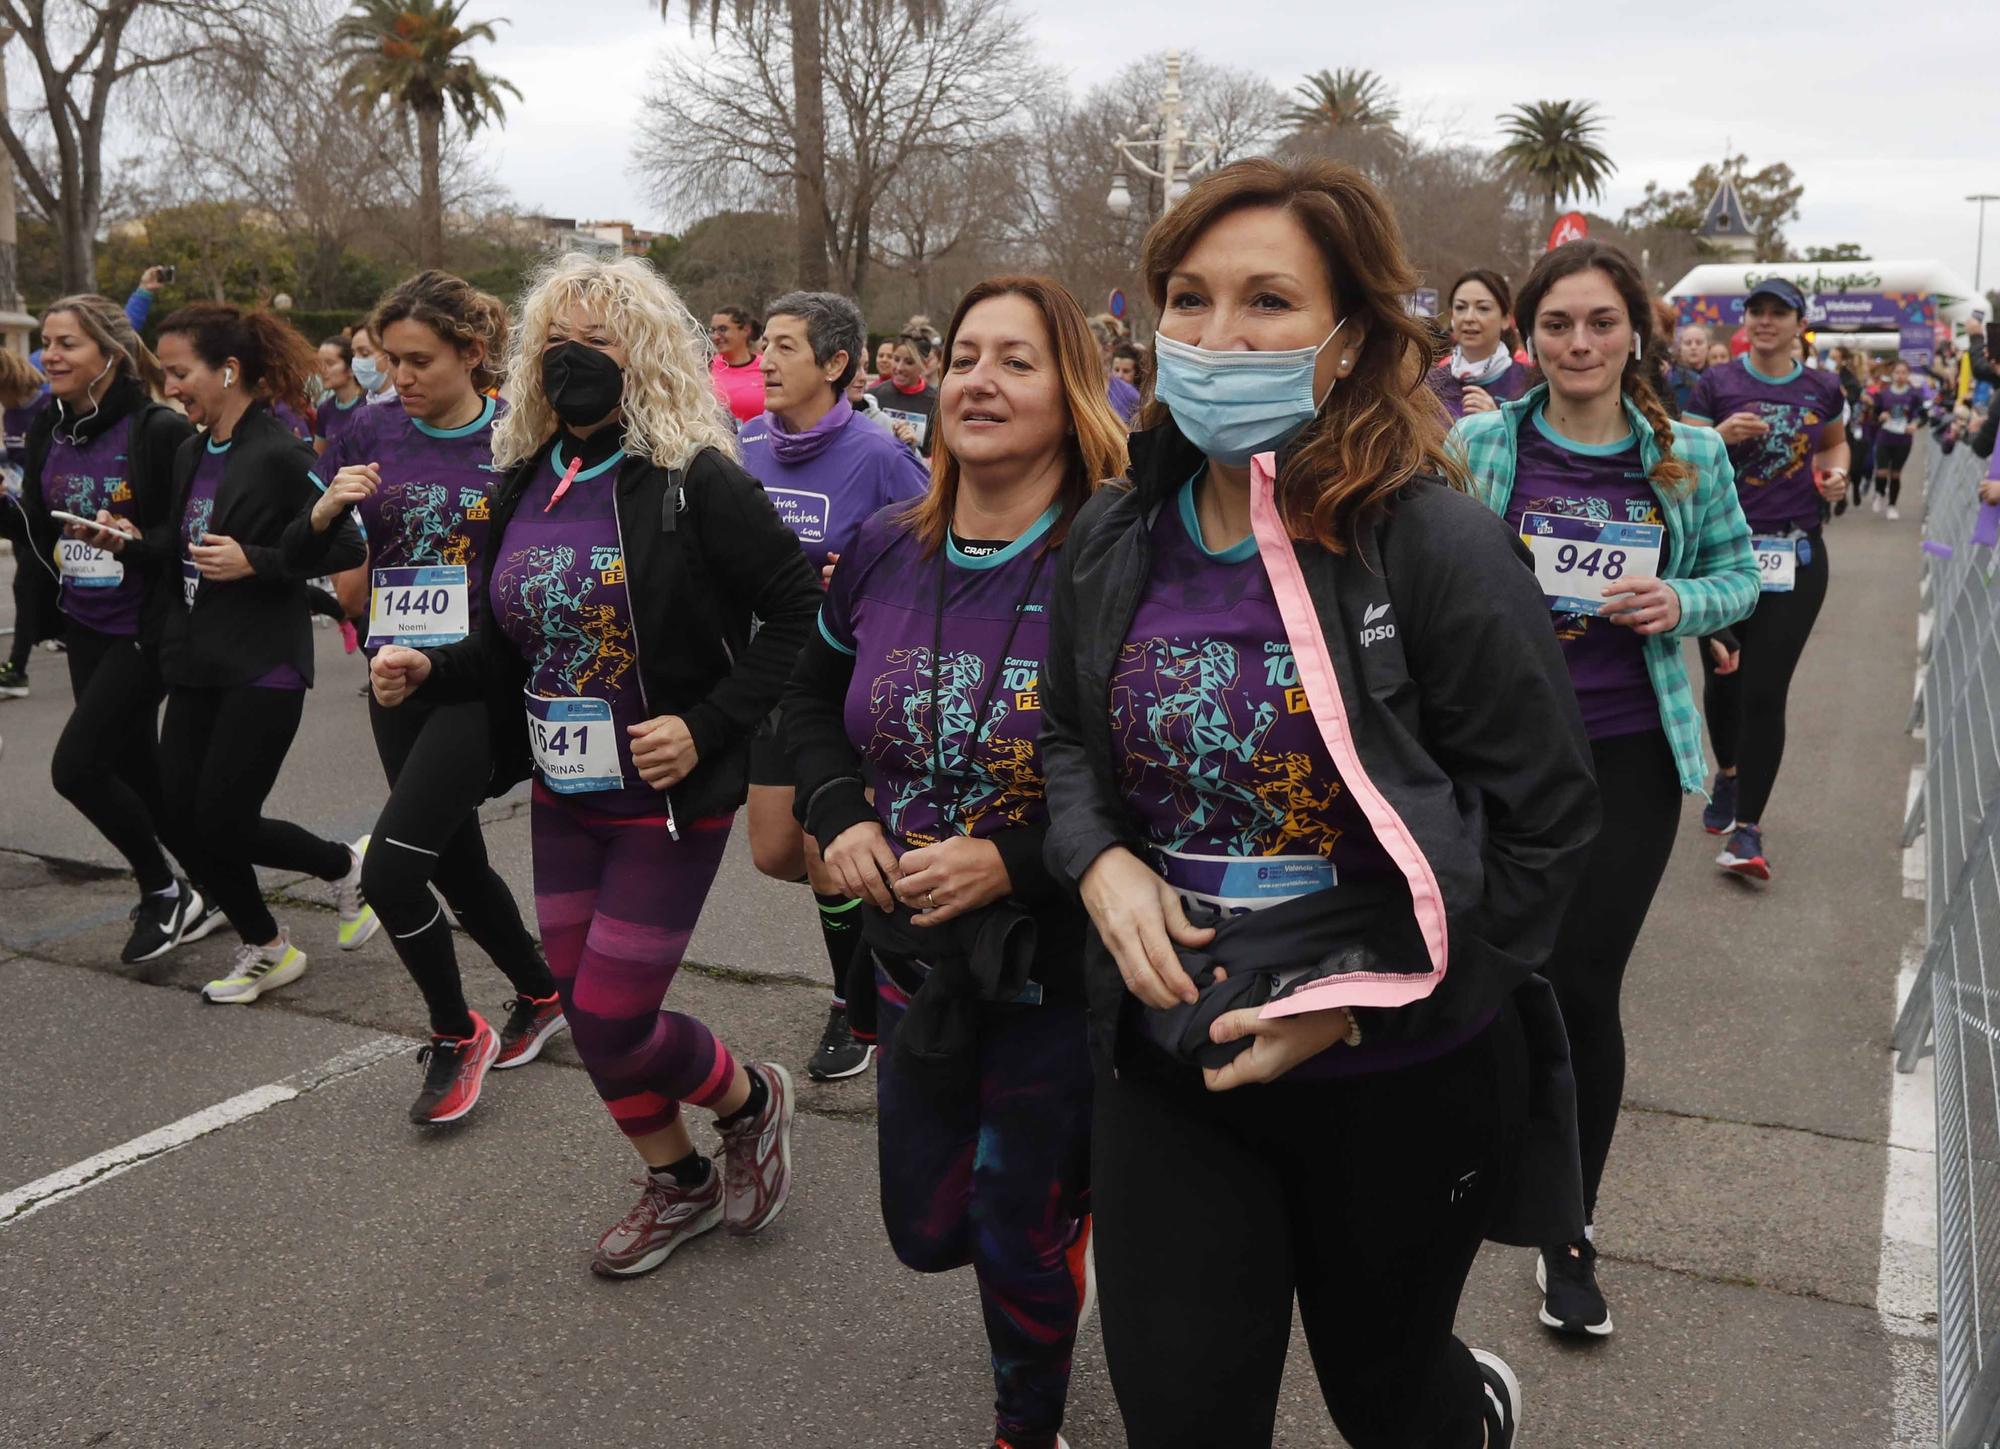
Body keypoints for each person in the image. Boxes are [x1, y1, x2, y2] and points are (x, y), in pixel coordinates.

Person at [1039, 155, 1597, 1449]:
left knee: (1388, 1399)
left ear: (1349, 342)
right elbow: (1069, 743)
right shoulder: (1118, 532)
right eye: (1188, 298)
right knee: (1179, 1416)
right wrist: (1102, 865)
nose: (1218, 336)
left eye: (1269, 302)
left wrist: (1354, 1012)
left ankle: (1468, 1407)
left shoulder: (1435, 544)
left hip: (1396, 1067)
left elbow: (1549, 823)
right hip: (1178, 1054)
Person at [368, 253, 819, 1277]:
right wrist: (424, 668)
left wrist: (708, 725)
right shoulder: (526, 478)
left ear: (645, 356)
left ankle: (749, 1101)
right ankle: (681, 1182)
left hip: (663, 800)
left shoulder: (691, 479)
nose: (573, 362)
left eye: (598, 344)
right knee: (589, 1013)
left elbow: (798, 612)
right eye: (557, 344)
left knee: (615, 1014)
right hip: (563, 795)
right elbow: (508, 645)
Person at [785, 273, 1125, 1449]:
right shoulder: (886, 545)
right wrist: (840, 816)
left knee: (1011, 1224)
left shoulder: (1115, 555)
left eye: (1017, 360)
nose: (979, 379)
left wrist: (1015, 860)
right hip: (911, 960)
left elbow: (1164, 774)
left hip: (1055, 965)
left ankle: (1024, 1425)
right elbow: (809, 703)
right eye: (966, 356)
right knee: (927, 1226)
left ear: (1070, 387)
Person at [1452, 239, 1758, 1339]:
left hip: (1625, 755)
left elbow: (1733, 577)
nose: (1576, 344)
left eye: (1597, 323)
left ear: (1633, 331)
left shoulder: (1684, 453)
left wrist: (1679, 603)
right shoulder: (1479, 441)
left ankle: (1566, 1232)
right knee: (1480, 979)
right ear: (1526, 337)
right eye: (1555, 326)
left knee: (1580, 986)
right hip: (1491, 755)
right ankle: (1455, 1198)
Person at [300, 270, 565, 1125]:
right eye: (387, 360)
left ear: (473, 355)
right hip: (393, 674)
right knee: (454, 861)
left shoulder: (523, 438)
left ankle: (457, 1033)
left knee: (391, 870)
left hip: (479, 683)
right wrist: (328, 521)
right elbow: (338, 580)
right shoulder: (365, 429)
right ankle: (541, 990)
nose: (399, 378)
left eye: (418, 361)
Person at [151, 303, 375, 1003]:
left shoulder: (279, 451)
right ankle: (266, 945)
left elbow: (344, 546)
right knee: (176, 812)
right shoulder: (193, 450)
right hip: (197, 656)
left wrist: (258, 561)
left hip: (264, 660)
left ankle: (341, 865)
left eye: (179, 372)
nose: (170, 386)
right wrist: (123, 538)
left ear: (228, 370)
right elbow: (180, 547)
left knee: (221, 817)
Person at [736, 290, 929, 1081]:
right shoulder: (744, 443)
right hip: (767, 678)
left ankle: (860, 1005)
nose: (766, 362)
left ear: (837, 363)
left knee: (827, 856)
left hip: (846, 682)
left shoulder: (880, 454)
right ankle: (881, 961)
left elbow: (936, 546)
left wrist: (860, 577)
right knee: (776, 851)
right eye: (765, 346)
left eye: (785, 347)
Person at [18, 296, 214, 962]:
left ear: (110, 354)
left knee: (76, 767)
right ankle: (217, 887)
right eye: (46, 342)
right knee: (138, 770)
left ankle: (164, 888)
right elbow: (38, 525)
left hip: (145, 626)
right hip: (84, 623)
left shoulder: (155, 429)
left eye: (67, 343)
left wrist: (132, 540)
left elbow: (189, 535)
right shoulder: (51, 424)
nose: (51, 355)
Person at [1684, 276, 1850, 879]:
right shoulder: (1718, 382)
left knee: (1764, 692)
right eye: (1756, 310)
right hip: (1724, 556)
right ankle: (1727, 774)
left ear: (1797, 322)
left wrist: (1835, 477)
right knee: (1724, 682)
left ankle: (1748, 830)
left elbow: (1834, 448)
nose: (1765, 320)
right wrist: (1718, 436)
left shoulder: (1822, 387)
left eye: (1778, 312)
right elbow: (1680, 456)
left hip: (1795, 557)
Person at [0, 353, 52, 699]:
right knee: (31, 586)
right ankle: (56, 630)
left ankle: (17, 670)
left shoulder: (48, 406)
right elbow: (14, 459)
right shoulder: (11, 412)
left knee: (24, 584)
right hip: (21, 508)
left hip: (46, 514)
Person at [1425, 269, 1529, 420]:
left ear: (1506, 319)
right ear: (1452, 315)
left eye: (1483, 308)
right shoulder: (1431, 384)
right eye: (1461, 307)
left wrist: (1496, 426)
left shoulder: (1528, 384)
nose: (1469, 318)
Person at [1867, 359, 1931, 520]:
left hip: (1903, 439)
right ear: (1892, 374)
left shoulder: (1914, 394)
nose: (1900, 376)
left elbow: (1923, 416)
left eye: (1904, 372)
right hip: (1885, 437)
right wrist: (1880, 416)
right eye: (1897, 372)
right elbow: (1874, 414)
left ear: (1908, 374)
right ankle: (1880, 493)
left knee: (1896, 474)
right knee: (1881, 471)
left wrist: (1915, 424)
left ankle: (1892, 506)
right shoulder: (1883, 393)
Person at [869, 332, 940, 453]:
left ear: (924, 364)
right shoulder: (874, 395)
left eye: (909, 362)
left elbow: (936, 454)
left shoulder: (935, 403)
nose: (899, 368)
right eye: (896, 359)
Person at [314, 334, 370, 457]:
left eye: (330, 363)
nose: (322, 370)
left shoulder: (369, 404)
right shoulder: (324, 409)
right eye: (319, 363)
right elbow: (318, 457)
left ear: (350, 367)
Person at [709, 304, 766, 423]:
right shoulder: (706, 367)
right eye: (713, 330)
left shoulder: (767, 366)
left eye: (723, 329)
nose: (716, 336)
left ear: (745, 330)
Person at [349, 322, 397, 404]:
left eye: (365, 353)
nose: (356, 361)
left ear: (389, 355)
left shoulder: (410, 409)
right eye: (353, 354)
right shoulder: (360, 405)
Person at [1668, 321, 1710, 415]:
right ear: (1680, 349)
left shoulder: (1717, 379)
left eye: (1699, 342)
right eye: (1688, 343)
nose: (1693, 347)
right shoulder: (1668, 380)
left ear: (1708, 347)